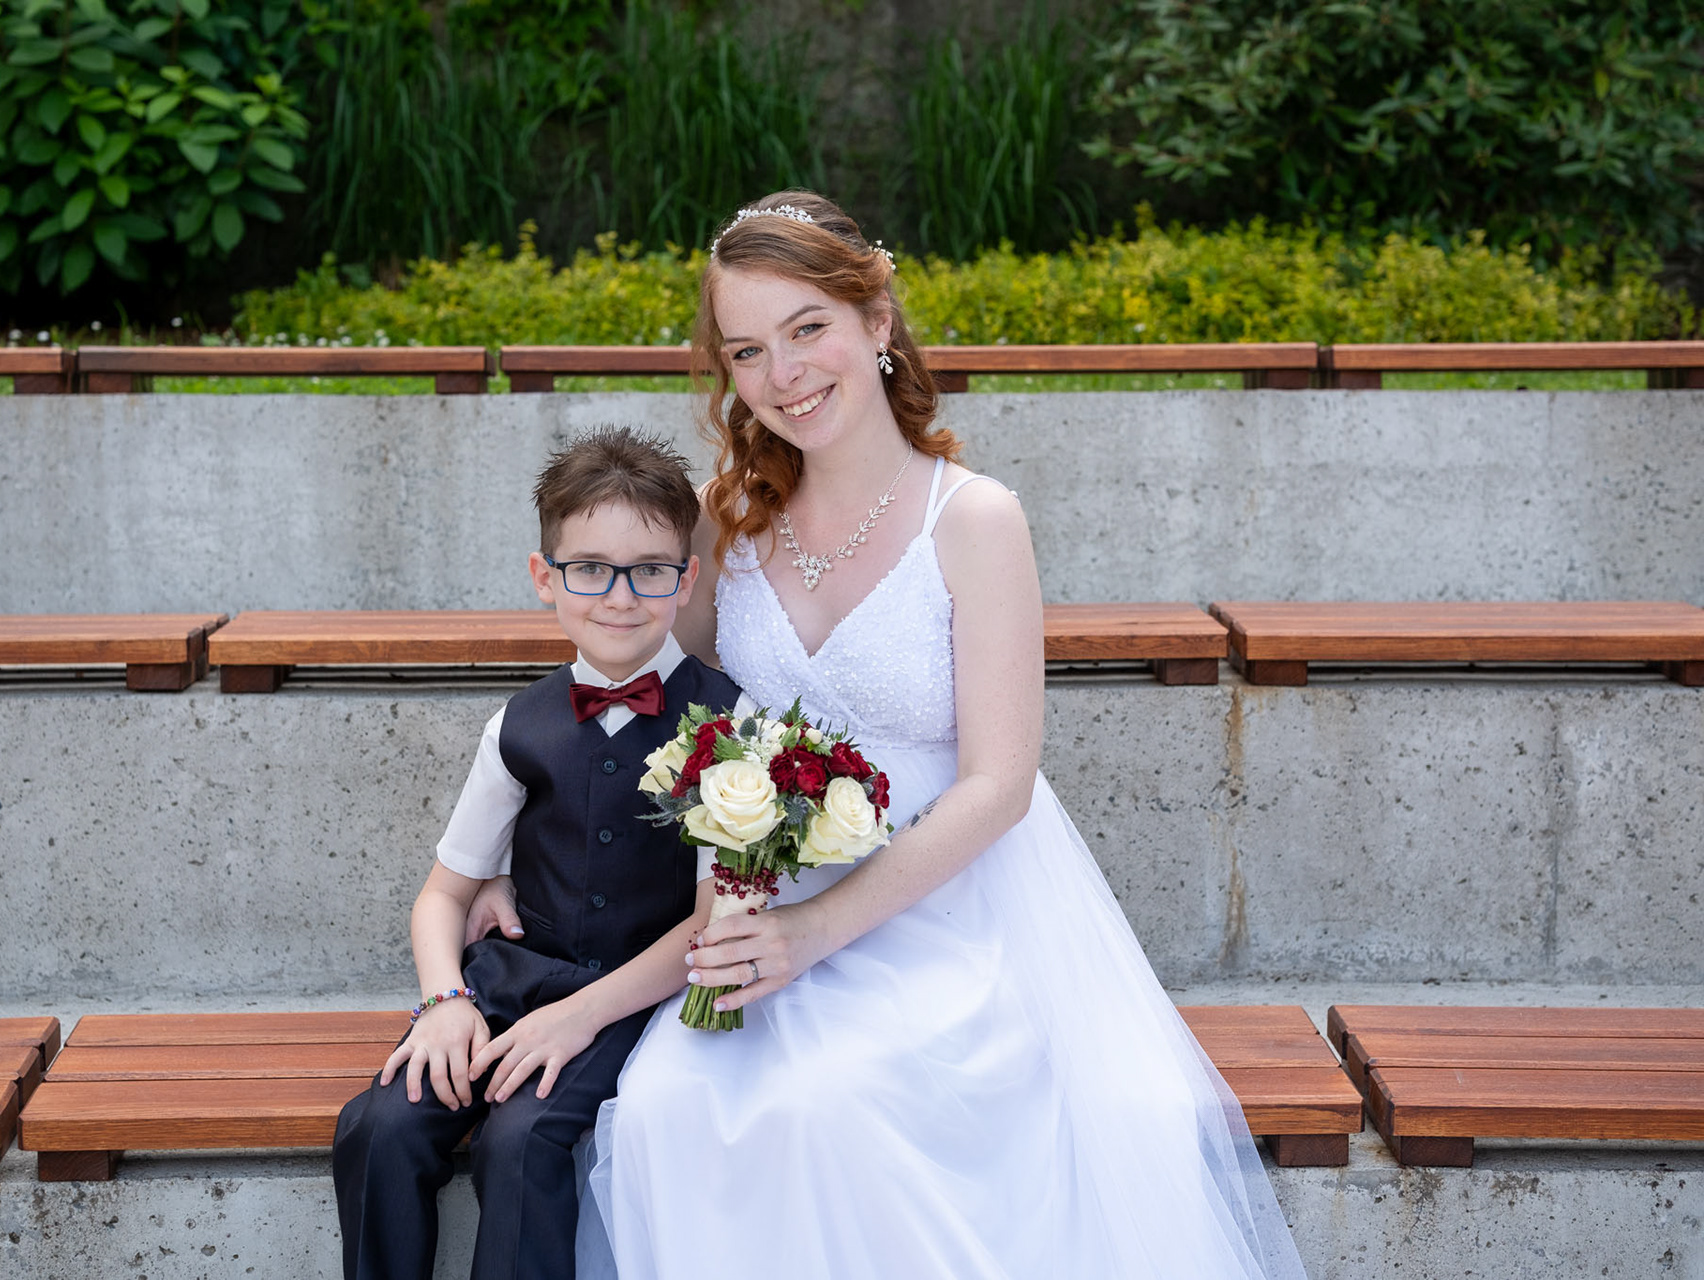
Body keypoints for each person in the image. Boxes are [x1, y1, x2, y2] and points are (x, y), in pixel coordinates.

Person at [474, 192, 1307, 1278]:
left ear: (877, 320)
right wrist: (512, 852)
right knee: (672, 1104)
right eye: (747, 350)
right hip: (756, 904)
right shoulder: (725, 521)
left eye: (808, 328)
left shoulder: (975, 519)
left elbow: (1000, 784)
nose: (783, 373)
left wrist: (815, 935)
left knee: (838, 1102)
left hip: (947, 911)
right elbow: (634, 694)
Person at [330, 426, 743, 1280]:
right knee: (380, 1124)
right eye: (589, 568)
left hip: (631, 997)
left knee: (521, 1140)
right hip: (508, 983)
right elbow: (443, 896)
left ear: (686, 578)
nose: (619, 597)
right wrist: (445, 1000)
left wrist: (585, 1012)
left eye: (649, 570)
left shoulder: (731, 725)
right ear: (544, 577)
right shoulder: (518, 724)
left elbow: (713, 923)